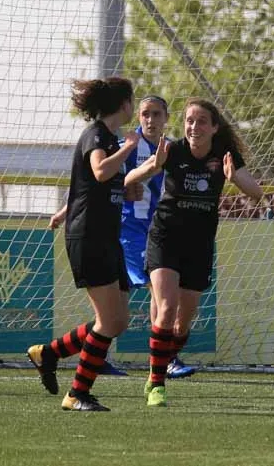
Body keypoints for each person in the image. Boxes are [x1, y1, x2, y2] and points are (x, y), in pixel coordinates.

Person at [125, 97, 264, 407]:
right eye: (189, 120)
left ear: (214, 127)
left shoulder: (224, 156)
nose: (194, 126)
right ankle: (157, 383)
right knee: (166, 308)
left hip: (198, 244)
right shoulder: (172, 151)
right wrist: (151, 169)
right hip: (165, 237)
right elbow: (130, 177)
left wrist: (234, 177)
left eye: (201, 121)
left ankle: (163, 359)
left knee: (181, 325)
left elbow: (256, 192)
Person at [27, 76, 137, 412]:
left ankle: (47, 353)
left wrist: (133, 184)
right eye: (132, 100)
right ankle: (77, 394)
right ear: (124, 104)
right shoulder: (97, 135)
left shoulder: (111, 139)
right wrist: (130, 147)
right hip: (89, 236)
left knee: (117, 321)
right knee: (109, 321)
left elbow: (93, 186)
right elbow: (100, 171)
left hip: (106, 236)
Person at [119, 95, 197, 379]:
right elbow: (104, 180)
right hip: (131, 232)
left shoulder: (174, 149)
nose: (150, 120)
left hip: (161, 231)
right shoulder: (127, 147)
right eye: (145, 114)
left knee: (116, 304)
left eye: (156, 114)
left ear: (166, 118)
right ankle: (166, 359)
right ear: (138, 117)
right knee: (160, 291)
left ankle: (67, 352)